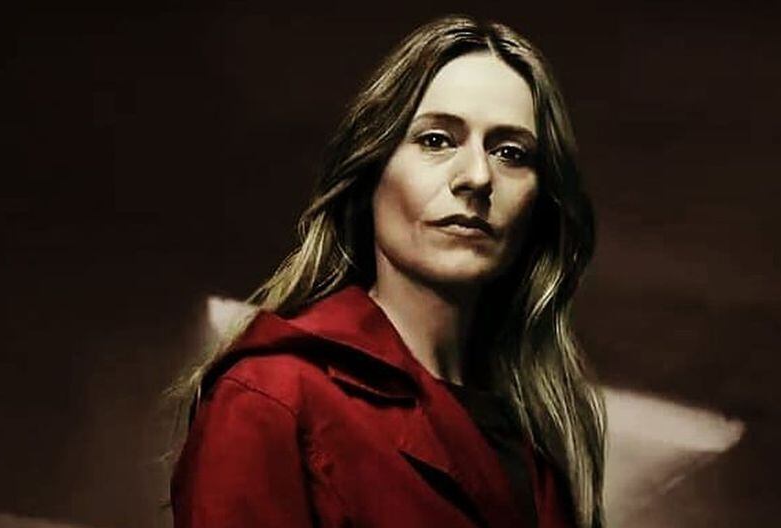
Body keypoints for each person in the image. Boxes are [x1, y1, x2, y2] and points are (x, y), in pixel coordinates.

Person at [170, 14, 605, 528]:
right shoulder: (270, 398)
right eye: (437, 140)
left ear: (540, 200)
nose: (477, 177)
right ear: (372, 168)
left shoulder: (545, 432)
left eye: (510, 152)